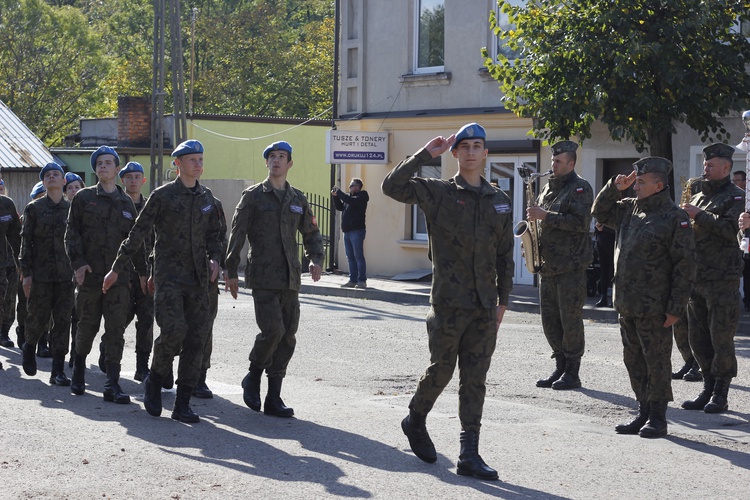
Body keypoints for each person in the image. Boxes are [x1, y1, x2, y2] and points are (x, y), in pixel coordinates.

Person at [381, 123, 514, 481]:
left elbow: (505, 253)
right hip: (448, 303)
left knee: (475, 379)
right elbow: (391, 187)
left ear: (485, 153)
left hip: (485, 306)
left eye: (477, 146)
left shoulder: (499, 200)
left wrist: (503, 300)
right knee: (441, 368)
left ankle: (469, 452)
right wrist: (426, 154)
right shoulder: (437, 192)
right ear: (455, 154)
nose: (471, 151)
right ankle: (416, 418)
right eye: (464, 146)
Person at [103, 140, 222, 423]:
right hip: (169, 277)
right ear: (177, 164)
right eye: (191, 159)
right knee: (174, 331)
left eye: (200, 158)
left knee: (197, 337)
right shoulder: (163, 196)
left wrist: (216, 258)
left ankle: (182, 403)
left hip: (199, 280)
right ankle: (155, 379)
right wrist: (116, 268)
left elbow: (215, 235)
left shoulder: (207, 198)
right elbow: (138, 234)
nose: (197, 163)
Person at [592, 157, 695, 438]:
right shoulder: (627, 209)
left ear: (659, 185)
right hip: (626, 302)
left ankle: (658, 417)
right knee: (633, 359)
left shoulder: (675, 217)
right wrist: (615, 187)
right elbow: (599, 212)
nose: (635, 185)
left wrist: (675, 308)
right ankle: (643, 411)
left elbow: (684, 266)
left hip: (656, 306)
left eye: (641, 181)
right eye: (635, 180)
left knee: (657, 361)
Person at [226, 140, 324, 419]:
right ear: (266, 163)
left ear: (290, 163)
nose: (277, 161)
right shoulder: (253, 196)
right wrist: (231, 270)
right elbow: (238, 233)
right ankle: (253, 375)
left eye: (282, 157)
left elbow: (311, 233)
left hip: (290, 277)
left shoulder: (298, 199)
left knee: (288, 336)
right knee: (273, 331)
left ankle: (274, 397)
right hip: (263, 276)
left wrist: (316, 259)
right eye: (272, 157)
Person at [65, 146, 146, 403]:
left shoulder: (126, 203)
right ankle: (78, 371)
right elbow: (71, 234)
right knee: (86, 326)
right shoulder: (83, 198)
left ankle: (112, 383)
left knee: (115, 331)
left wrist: (143, 274)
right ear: (95, 169)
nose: (103, 166)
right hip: (90, 277)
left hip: (119, 279)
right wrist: (78, 264)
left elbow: (135, 242)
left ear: (116, 169)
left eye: (108, 162)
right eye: (99, 163)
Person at [681, 143, 744, 414]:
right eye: (704, 164)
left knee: (721, 336)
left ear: (726, 167)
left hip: (722, 278)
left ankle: (721, 391)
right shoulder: (698, 195)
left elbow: (731, 230)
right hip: (696, 276)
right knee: (698, 336)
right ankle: (707, 385)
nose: (704, 168)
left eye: (710, 165)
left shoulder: (737, 197)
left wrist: (699, 215)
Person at [530, 141, 593, 390]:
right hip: (548, 265)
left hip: (570, 267)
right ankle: (559, 365)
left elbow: (580, 223)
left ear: (571, 163)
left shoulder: (580, 188)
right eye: (552, 160)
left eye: (558, 161)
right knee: (550, 321)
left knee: (570, 320)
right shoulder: (547, 189)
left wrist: (546, 216)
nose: (552, 165)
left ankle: (573, 371)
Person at [19, 162, 76, 386]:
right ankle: (29, 345)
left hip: (65, 275)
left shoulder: (71, 209)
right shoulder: (33, 208)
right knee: (37, 318)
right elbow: (26, 242)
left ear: (63, 181)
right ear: (43, 182)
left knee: (62, 322)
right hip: (40, 274)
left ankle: (58, 371)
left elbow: (77, 241)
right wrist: (26, 273)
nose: (52, 177)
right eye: (47, 175)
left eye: (56, 174)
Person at [117, 161, 154, 382]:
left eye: (137, 176)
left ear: (143, 180)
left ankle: (142, 365)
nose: (133, 180)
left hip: (146, 271)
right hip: (121, 270)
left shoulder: (151, 207)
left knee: (146, 318)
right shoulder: (116, 205)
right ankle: (108, 350)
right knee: (121, 317)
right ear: (122, 181)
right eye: (129, 177)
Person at [63, 172, 84, 368]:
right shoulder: (60, 210)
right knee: (62, 314)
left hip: (79, 271)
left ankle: (76, 352)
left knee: (79, 314)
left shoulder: (88, 211)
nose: (74, 190)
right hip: (61, 272)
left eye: (77, 187)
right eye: (70, 188)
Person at [332, 178, 369, 288]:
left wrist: (339, 192)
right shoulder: (349, 198)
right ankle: (352, 280)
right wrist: (335, 197)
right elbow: (340, 207)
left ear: (357, 187)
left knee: (358, 256)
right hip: (347, 231)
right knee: (350, 257)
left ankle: (362, 280)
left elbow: (351, 201)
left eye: (351, 186)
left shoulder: (362, 196)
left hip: (357, 231)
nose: (349, 188)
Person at [0, 178, 21, 369]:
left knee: (7, 301)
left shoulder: (7, 206)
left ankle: (4, 331)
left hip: (7, 264)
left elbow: (16, 237)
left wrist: (21, 263)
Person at [732, 170, 750, 312]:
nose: (734, 183)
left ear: (745, 182)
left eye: (736, 181)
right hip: (738, 243)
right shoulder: (733, 197)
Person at [593, 221, 614, 307]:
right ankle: (603, 296)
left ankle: (613, 298)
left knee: (612, 270)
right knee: (603, 270)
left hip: (612, 238)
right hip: (601, 238)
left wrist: (604, 227)